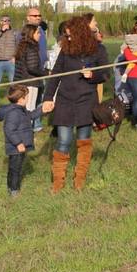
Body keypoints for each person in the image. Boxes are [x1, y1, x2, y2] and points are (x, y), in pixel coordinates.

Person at [43, 15, 108, 192]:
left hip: (87, 102)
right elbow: (55, 75)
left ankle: (79, 179)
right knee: (63, 139)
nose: (67, 37)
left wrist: (93, 75)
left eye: (70, 35)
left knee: (83, 140)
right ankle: (57, 182)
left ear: (81, 33)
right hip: (65, 101)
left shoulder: (98, 50)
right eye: (66, 35)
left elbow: (105, 74)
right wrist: (48, 98)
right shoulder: (66, 50)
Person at [0, 84, 41, 198]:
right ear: (21, 99)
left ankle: (11, 187)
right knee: (15, 169)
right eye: (26, 97)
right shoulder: (14, 113)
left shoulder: (20, 110)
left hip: (19, 146)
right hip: (16, 147)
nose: (28, 99)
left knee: (15, 167)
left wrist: (42, 110)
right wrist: (18, 143)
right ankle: (14, 190)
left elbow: (30, 116)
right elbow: (9, 130)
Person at [13, 23, 47, 129]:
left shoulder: (22, 46)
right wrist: (46, 73)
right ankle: (27, 131)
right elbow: (32, 68)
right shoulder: (31, 48)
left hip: (21, 81)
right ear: (31, 34)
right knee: (30, 109)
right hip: (30, 83)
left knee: (23, 109)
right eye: (37, 33)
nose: (40, 35)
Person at [0, 15, 19, 107]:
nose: (6, 22)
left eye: (8, 20)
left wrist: (15, 57)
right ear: (0, 22)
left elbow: (18, 45)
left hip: (10, 61)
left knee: (13, 83)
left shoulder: (14, 32)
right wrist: (2, 31)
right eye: (4, 21)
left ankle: (15, 101)